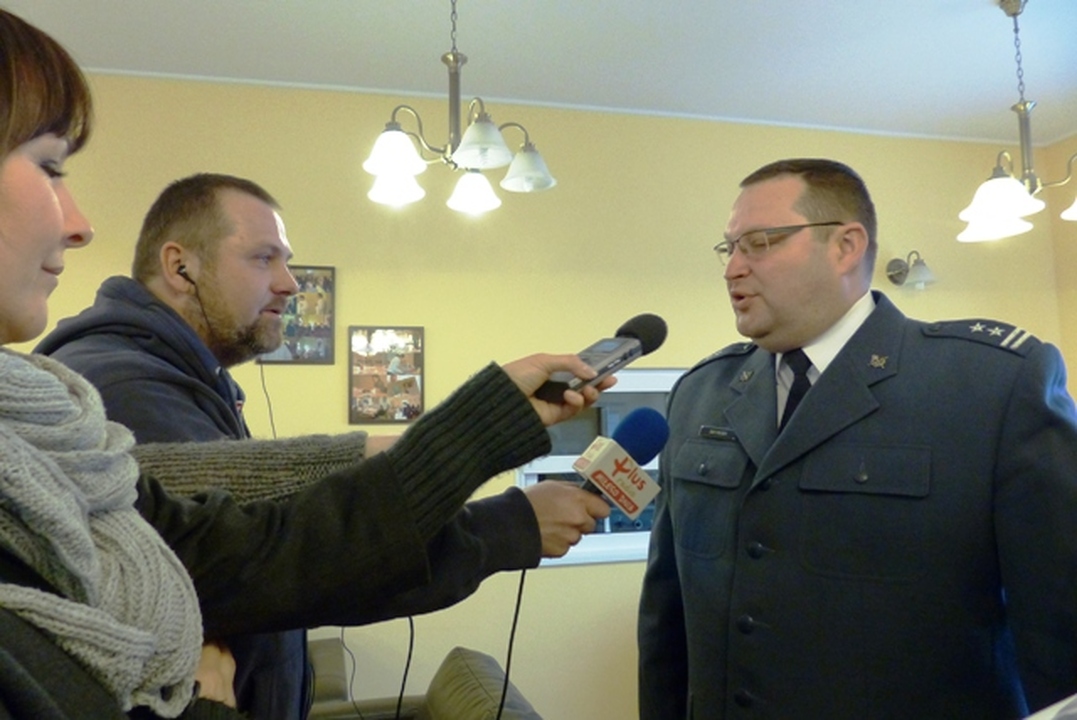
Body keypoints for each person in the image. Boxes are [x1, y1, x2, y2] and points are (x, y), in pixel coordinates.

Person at [0, 9, 610, 719]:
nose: (79, 223)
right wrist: (503, 517)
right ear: (181, 266)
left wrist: (474, 429)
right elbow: (268, 565)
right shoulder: (122, 380)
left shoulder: (57, 424)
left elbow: (241, 526)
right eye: (49, 167)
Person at [637, 158, 1077, 719]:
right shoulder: (701, 393)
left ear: (845, 246)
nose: (733, 269)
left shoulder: (991, 386)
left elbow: (1061, 626)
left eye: (759, 243)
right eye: (730, 248)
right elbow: (667, 614)